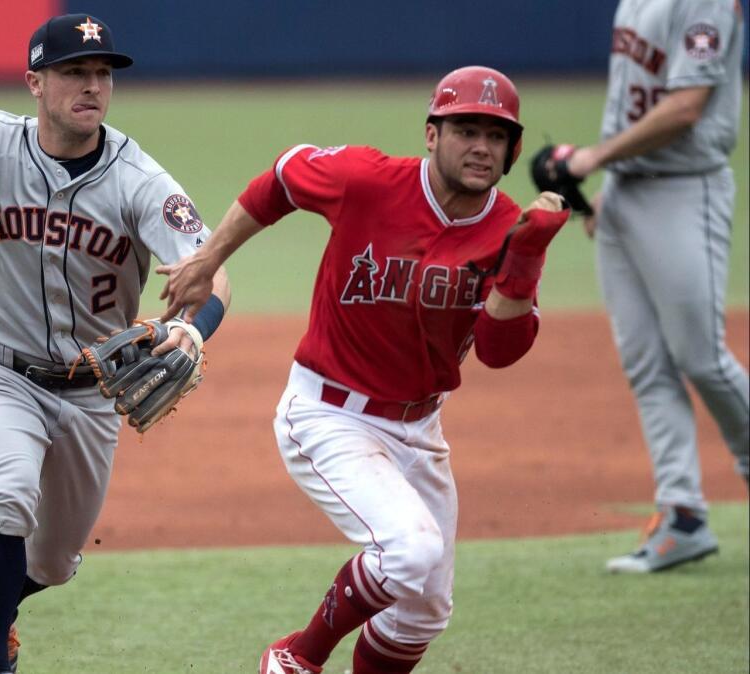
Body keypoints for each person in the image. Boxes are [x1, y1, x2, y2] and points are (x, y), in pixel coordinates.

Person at [158, 66, 570, 674]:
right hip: (329, 413)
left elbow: (499, 351)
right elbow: (280, 178)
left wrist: (526, 258)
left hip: (420, 430)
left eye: (496, 134)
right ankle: (297, 658)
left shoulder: (510, 228)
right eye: (465, 129)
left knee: (424, 611)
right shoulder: (366, 180)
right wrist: (209, 256)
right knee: (411, 550)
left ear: (512, 149)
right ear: (432, 134)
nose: (481, 146)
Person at [0, 14, 231, 674]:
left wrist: (190, 329)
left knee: (54, 564)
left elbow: (213, 276)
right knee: (6, 498)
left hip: (92, 395)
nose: (92, 85)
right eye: (73, 73)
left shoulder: (140, 179)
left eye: (101, 73)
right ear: (35, 82)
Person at [542, 0, 748, 573]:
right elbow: (634, 104)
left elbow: (685, 108)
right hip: (628, 191)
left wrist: (592, 159)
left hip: (687, 190)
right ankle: (682, 515)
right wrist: (610, 181)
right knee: (647, 362)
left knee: (702, 358)